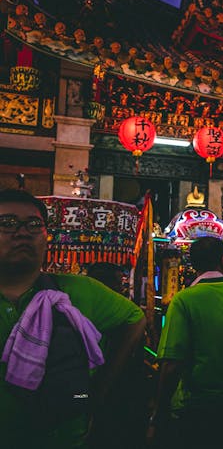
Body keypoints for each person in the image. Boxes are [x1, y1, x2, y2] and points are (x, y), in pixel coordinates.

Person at [0, 188, 145, 448]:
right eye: (7, 223)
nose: (22, 232)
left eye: (33, 224)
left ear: (46, 236)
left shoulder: (80, 290)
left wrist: (100, 386)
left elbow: (135, 319)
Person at [149, 236, 223, 447]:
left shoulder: (184, 299)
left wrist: (158, 414)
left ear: (191, 263)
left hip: (196, 404)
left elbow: (171, 364)